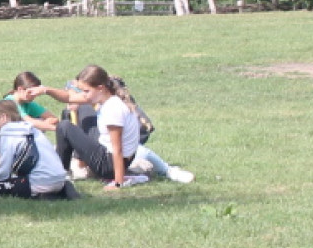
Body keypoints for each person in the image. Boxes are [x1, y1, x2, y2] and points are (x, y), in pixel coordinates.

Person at [28, 67, 193, 187]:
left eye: (85, 91)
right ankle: (62, 173)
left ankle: (59, 175)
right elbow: (69, 97)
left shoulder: (113, 109)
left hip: (109, 165)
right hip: (111, 159)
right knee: (66, 126)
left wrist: (118, 182)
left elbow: (117, 149)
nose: (82, 95)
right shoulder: (106, 98)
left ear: (100, 88)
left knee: (64, 127)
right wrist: (45, 90)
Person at [0, 99, 75, 200]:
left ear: (3, 117)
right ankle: (59, 191)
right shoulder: (32, 129)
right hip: (59, 179)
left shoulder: (7, 133)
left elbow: (3, 174)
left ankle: (42, 194)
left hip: (40, 182)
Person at [0, 71, 58, 160]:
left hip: (10, 141)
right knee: (28, 127)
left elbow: (53, 119)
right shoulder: (10, 103)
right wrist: (57, 129)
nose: (34, 96)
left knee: (35, 124)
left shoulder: (28, 104)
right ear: (20, 89)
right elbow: (30, 122)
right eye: (31, 92)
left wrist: (42, 124)